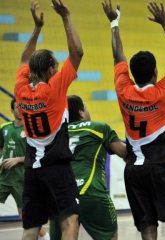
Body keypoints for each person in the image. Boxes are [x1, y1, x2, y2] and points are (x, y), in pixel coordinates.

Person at [102, 1, 165, 239]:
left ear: (131, 74)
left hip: (133, 171)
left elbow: (117, 56)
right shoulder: (163, 92)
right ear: (155, 73)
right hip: (160, 168)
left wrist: (114, 22)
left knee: (147, 227)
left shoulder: (124, 90)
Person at [14, 0, 83, 239]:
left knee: (31, 228)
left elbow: (24, 58)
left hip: (32, 169)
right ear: (52, 70)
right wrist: (65, 16)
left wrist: (37, 28)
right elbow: (77, 53)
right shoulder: (54, 89)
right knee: (70, 219)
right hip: (56, 167)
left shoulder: (21, 88)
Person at [49, 95, 127, 240]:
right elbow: (123, 152)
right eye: (86, 107)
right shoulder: (98, 128)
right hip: (91, 191)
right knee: (110, 236)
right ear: (81, 112)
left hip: (60, 194)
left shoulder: (55, 132)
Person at [0, 99, 49, 240]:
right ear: (12, 110)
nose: (19, 110)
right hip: (4, 177)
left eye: (22, 107)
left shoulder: (31, 129)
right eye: (17, 107)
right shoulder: (4, 128)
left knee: (26, 218)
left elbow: (37, 154)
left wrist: (17, 159)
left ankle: (46, 237)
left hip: (21, 179)